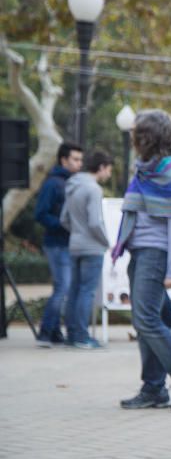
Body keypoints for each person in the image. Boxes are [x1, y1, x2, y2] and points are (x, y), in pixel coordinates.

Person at [114, 110, 171, 412]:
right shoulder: (143, 170)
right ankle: (154, 388)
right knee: (150, 320)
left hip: (155, 255)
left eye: (136, 133)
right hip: (138, 252)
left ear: (147, 138)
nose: (132, 137)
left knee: (146, 320)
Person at [59, 150, 113, 350]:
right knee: (87, 291)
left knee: (74, 289)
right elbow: (95, 222)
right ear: (101, 167)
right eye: (108, 169)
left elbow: (64, 218)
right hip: (92, 247)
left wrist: (77, 232)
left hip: (75, 244)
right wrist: (106, 241)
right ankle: (82, 336)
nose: (108, 174)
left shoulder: (72, 186)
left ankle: (72, 334)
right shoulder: (93, 189)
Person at [34, 142, 83, 347]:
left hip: (67, 243)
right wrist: (63, 225)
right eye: (75, 159)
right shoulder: (53, 183)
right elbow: (40, 213)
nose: (79, 164)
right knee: (63, 287)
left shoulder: (72, 182)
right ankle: (46, 333)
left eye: (81, 160)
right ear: (63, 160)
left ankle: (54, 332)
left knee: (62, 288)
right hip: (56, 243)